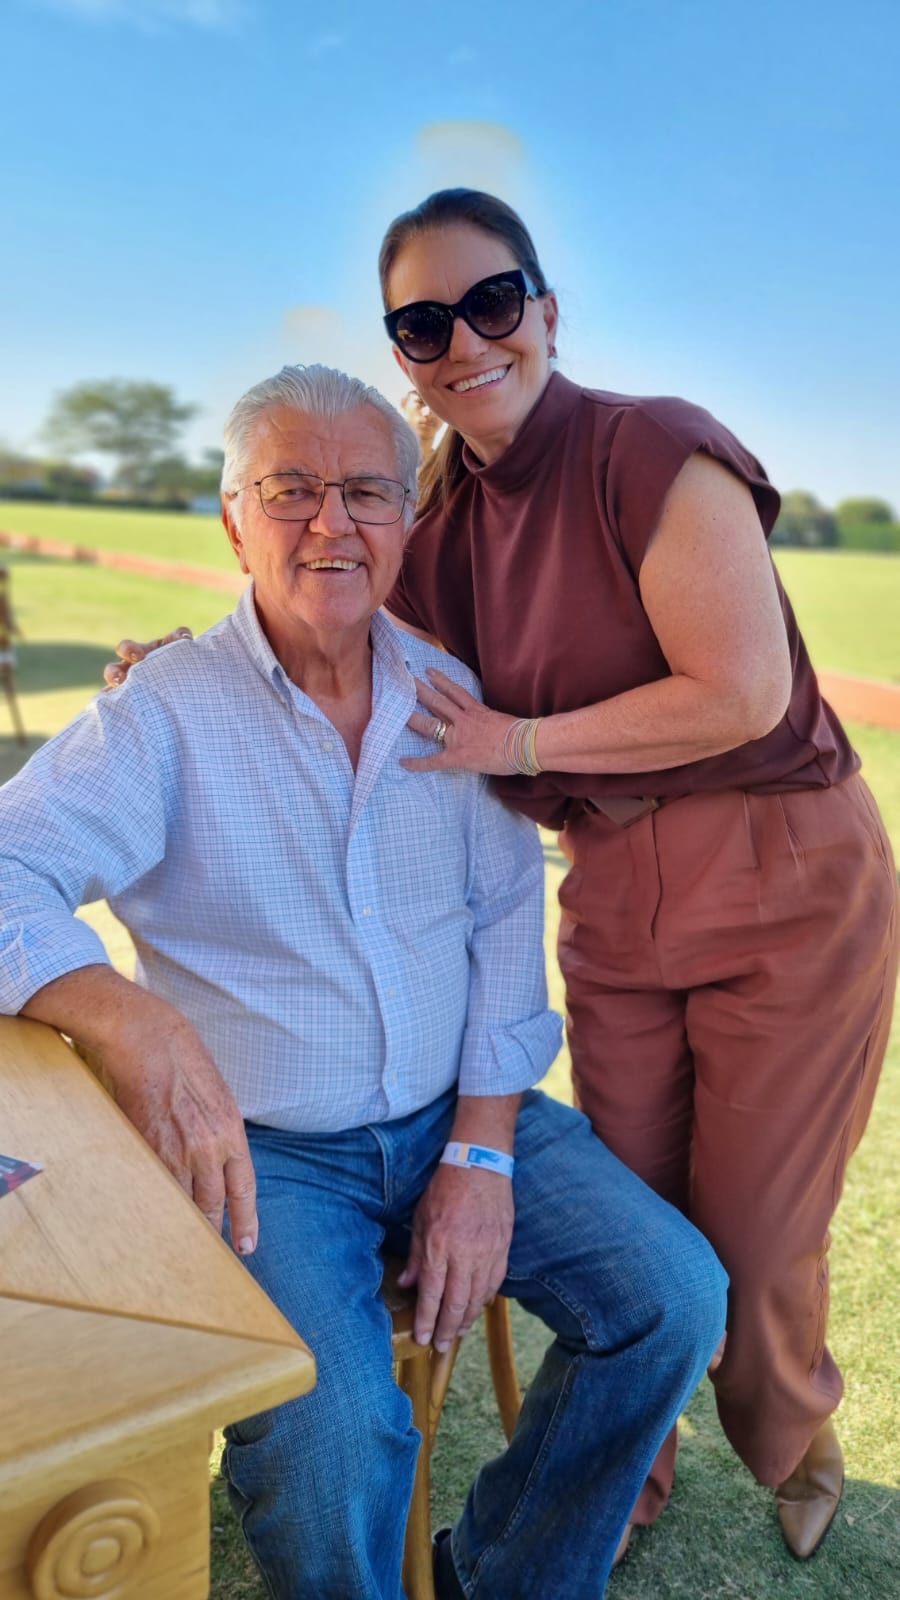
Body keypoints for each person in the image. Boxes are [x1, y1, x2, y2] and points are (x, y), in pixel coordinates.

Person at [103, 192, 898, 1561]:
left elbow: (742, 693)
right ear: (402, 351)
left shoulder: (646, 446)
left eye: (491, 302)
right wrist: (187, 659)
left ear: (545, 309)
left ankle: (789, 1427)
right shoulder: (437, 514)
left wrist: (516, 742)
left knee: (756, 1233)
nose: (465, 340)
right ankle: (625, 1477)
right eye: (425, 322)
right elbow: (324, 593)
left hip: (776, 861)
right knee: (642, 1200)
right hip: (612, 882)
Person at [0, 364, 727, 1600]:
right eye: (290, 489)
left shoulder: (453, 696)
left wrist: (481, 1152)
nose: (331, 522)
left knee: (674, 1299)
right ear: (233, 518)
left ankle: (504, 1577)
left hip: (462, 1108)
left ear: (405, 520)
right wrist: (127, 1018)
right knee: (332, 1428)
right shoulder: (164, 711)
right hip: (268, 1152)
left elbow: (503, 920)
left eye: (367, 491)